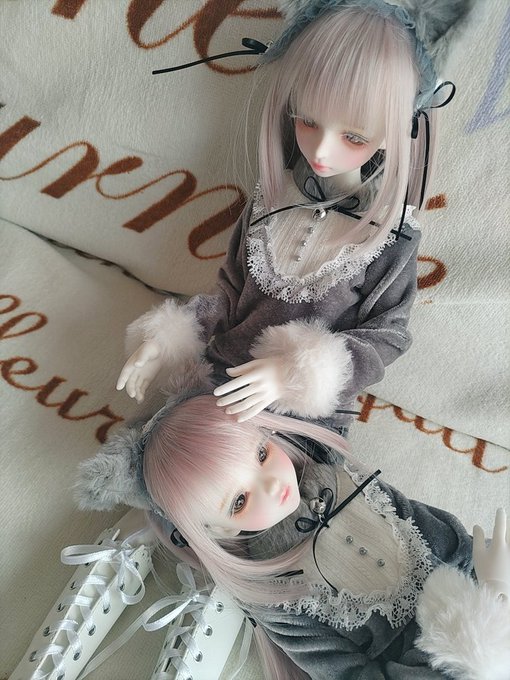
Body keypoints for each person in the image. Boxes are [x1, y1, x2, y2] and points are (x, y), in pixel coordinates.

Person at [115, 0, 472, 432]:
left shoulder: (392, 237)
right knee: (163, 448)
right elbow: (229, 293)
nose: (321, 150)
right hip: (220, 379)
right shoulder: (271, 200)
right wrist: (168, 337)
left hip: (302, 418)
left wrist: (296, 375)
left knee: (241, 471)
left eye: (354, 136)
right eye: (307, 121)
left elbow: (388, 335)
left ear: (397, 131)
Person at [76, 373, 510, 680]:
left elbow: (424, 526)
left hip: (477, 584)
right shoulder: (274, 593)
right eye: (240, 501)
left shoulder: (336, 477)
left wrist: (485, 577)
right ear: (219, 532)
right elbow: (347, 673)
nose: (272, 484)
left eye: (262, 454)